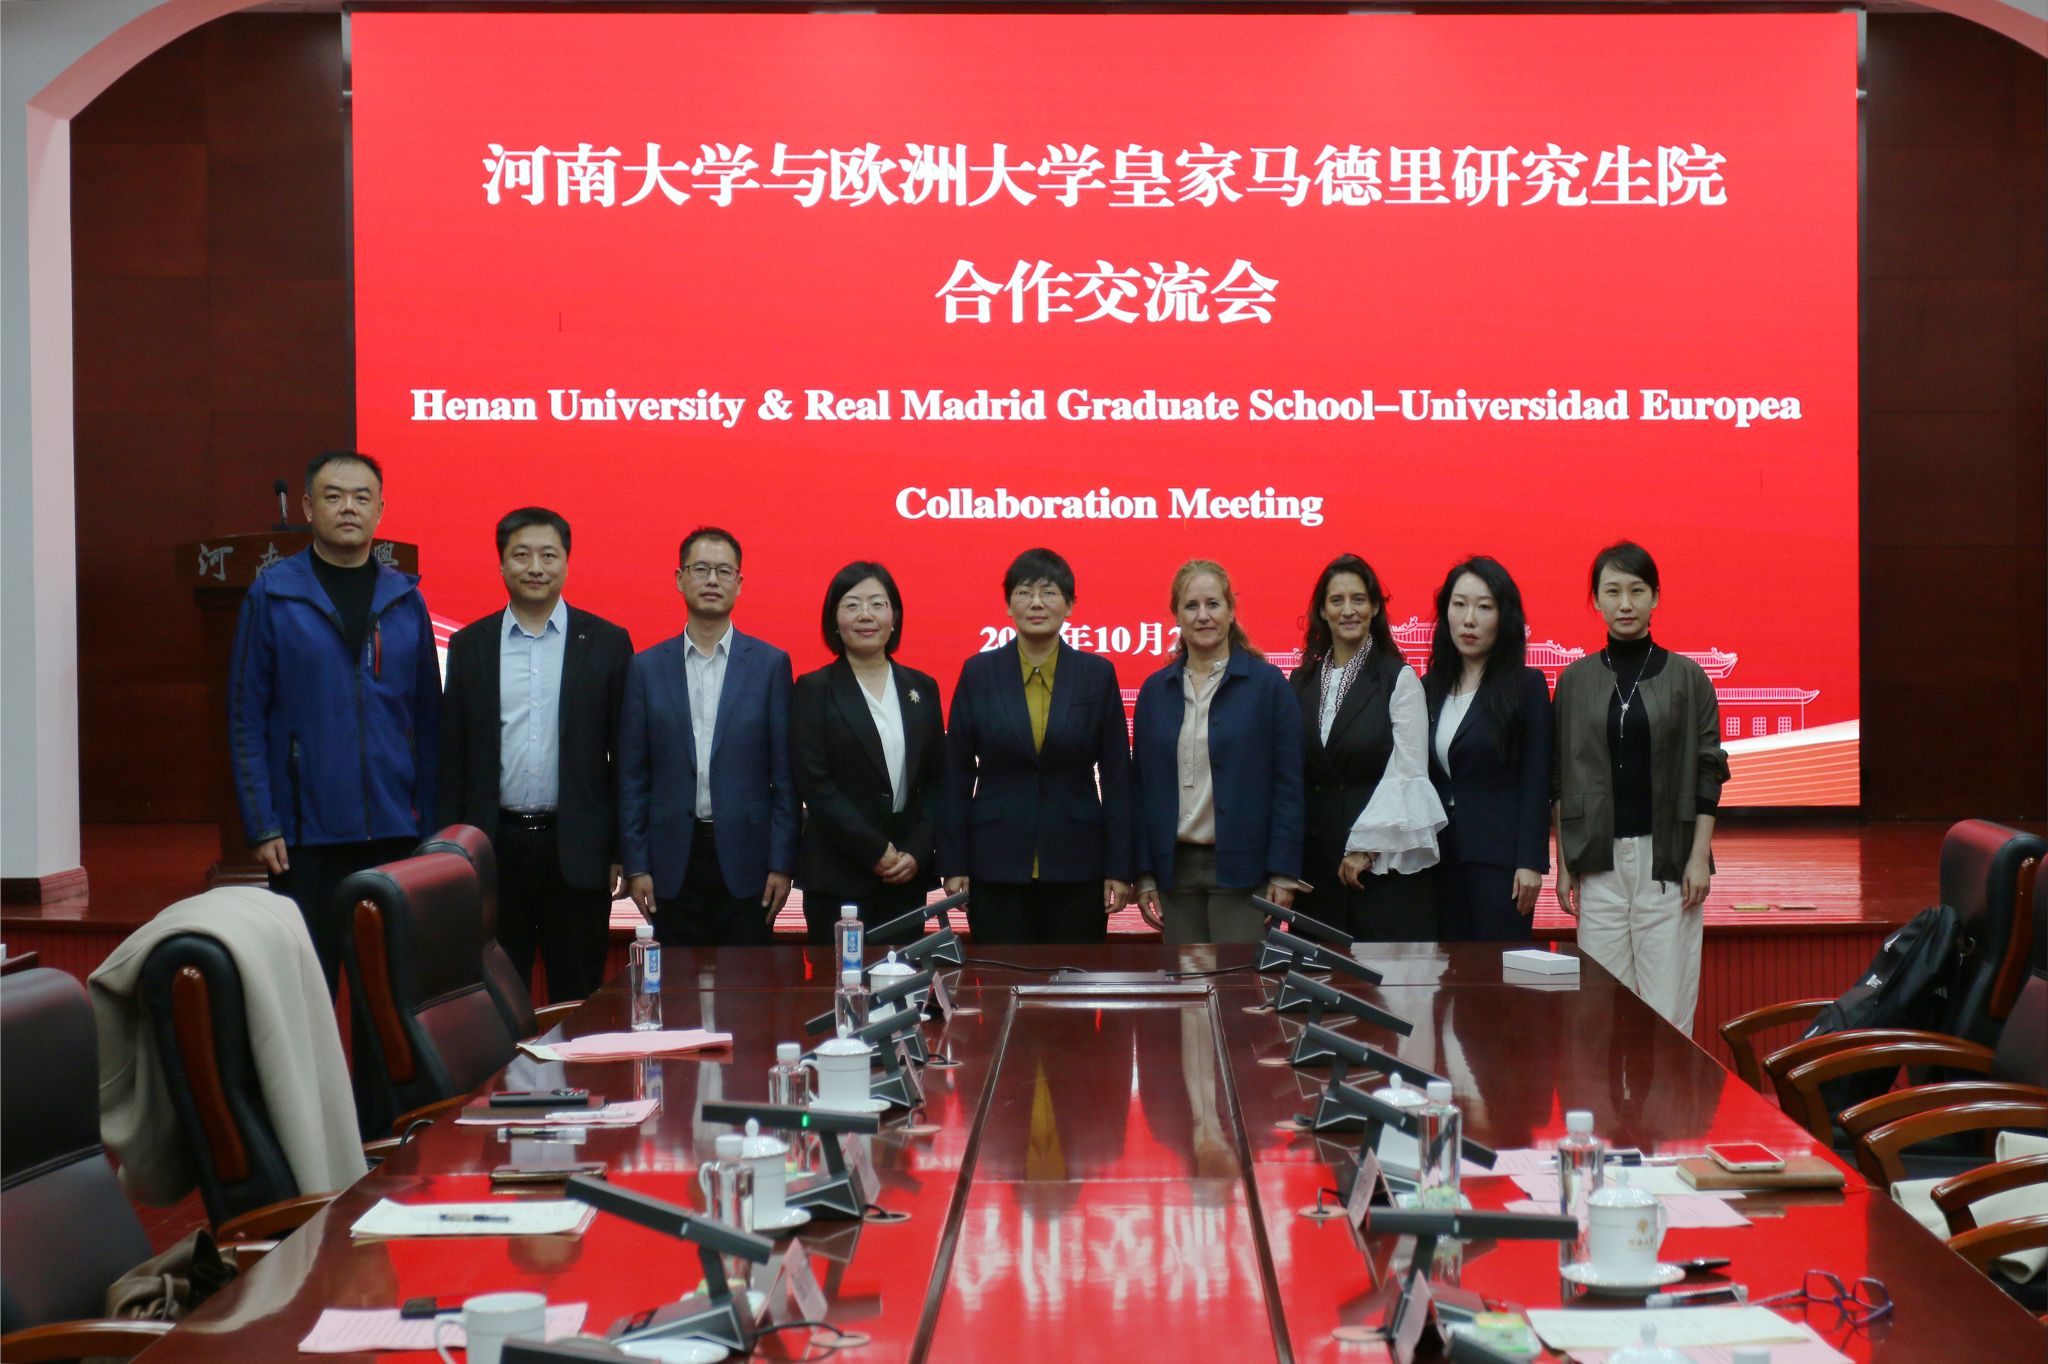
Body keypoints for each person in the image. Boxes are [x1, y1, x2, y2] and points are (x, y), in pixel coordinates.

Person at [229, 449, 440, 995]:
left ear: (380, 510)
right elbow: (246, 716)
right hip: (305, 837)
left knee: (389, 998)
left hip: (395, 833)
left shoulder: (405, 599)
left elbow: (427, 721)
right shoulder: (273, 594)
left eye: (362, 497)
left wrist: (432, 824)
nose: (349, 507)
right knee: (309, 995)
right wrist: (262, 823)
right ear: (307, 507)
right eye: (334, 496)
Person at [437, 507, 633, 1001]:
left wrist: (619, 851)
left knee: (577, 996)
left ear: (567, 563)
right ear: (501, 564)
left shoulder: (607, 643)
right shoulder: (470, 645)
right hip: (494, 847)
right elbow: (454, 758)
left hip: (578, 848)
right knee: (499, 997)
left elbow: (626, 758)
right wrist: (449, 850)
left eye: (549, 555)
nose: (535, 567)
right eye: (521, 555)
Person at [1552, 541, 1729, 1032]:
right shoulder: (1574, 681)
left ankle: (1668, 1090)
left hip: (1668, 860)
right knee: (1599, 1013)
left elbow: (1709, 771)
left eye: (1636, 591)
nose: (1625, 603)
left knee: (1667, 1011)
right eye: (1612, 591)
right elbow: (1561, 776)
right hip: (1598, 862)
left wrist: (1699, 857)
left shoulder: (1689, 679)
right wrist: (1564, 864)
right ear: (1596, 600)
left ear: (1656, 597)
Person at [938, 548, 1133, 944]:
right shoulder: (979, 673)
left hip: (1078, 863)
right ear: (1009, 605)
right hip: (995, 862)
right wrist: (953, 861)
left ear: (1070, 605)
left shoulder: (1096, 675)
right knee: (999, 975)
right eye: (1024, 593)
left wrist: (1119, 866)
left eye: (1049, 593)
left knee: (1074, 977)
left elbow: (1117, 777)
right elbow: (955, 773)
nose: (1037, 603)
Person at [618, 528, 798, 947]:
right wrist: (637, 864)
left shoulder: (770, 665)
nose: (712, 580)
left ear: (740, 582)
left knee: (747, 982)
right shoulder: (646, 668)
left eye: (723, 571)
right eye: (700, 569)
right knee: (675, 980)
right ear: (679, 579)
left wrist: (782, 863)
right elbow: (632, 776)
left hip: (749, 858)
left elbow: (785, 777)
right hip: (670, 859)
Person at [1131, 561, 1304, 944]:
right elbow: (1140, 788)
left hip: (1244, 868)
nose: (1203, 616)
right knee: (1186, 980)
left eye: (1213, 604)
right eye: (1191, 606)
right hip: (1174, 872)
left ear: (1231, 611)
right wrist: (1143, 873)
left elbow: (1289, 785)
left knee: (1237, 979)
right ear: (1177, 615)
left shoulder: (1268, 686)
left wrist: (1283, 870)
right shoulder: (1155, 692)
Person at [1289, 554, 1445, 940]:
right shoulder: (1300, 681)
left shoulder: (1398, 679)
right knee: (1320, 974)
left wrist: (1368, 847)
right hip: (1316, 870)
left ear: (1374, 607)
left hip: (1380, 869)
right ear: (1322, 611)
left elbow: (1408, 770)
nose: (1348, 610)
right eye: (1336, 600)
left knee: (1383, 977)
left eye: (1358, 599)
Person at [791, 562, 945, 946]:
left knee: (904, 978)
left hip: (906, 873)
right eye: (852, 604)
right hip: (838, 872)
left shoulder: (922, 688)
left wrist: (917, 851)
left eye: (877, 604)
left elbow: (938, 781)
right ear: (834, 619)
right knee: (840, 977)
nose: (865, 615)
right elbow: (815, 784)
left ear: (894, 617)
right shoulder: (814, 689)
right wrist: (874, 850)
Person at [1421, 557, 1553, 942]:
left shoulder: (1526, 686)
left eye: (1484, 607)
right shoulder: (1428, 687)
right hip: (1438, 859)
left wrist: (1531, 862)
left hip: (1501, 862)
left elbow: (1536, 781)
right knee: (1446, 972)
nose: (1469, 619)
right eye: (1459, 604)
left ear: (1503, 616)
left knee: (1496, 971)